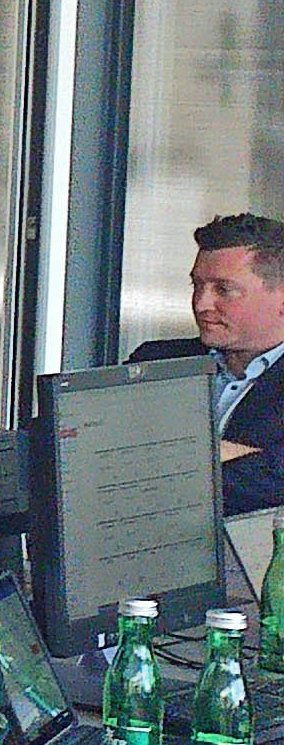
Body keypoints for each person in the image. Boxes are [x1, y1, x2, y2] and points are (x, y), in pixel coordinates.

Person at [131, 212, 284, 518]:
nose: (201, 304)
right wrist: (225, 454)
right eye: (197, 285)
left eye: (223, 290)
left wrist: (163, 459)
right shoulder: (155, 364)